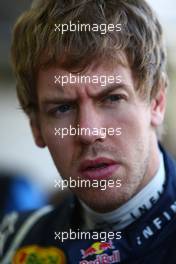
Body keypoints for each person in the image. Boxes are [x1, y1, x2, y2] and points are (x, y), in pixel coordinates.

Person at [0, 0, 176, 263]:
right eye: (62, 108)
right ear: (36, 127)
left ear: (157, 102)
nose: (88, 132)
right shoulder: (16, 242)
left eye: (112, 98)